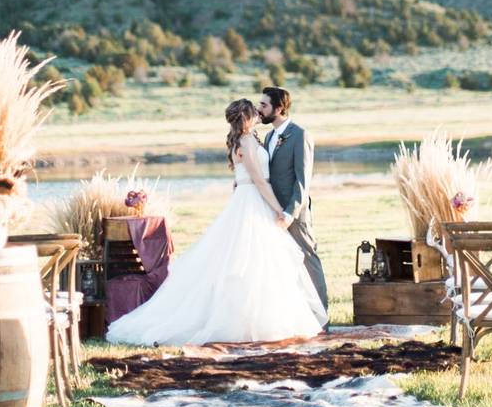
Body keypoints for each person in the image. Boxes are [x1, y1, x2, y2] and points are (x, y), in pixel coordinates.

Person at [105, 99, 327, 346]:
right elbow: (259, 181)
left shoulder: (248, 139)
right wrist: (280, 210)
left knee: (258, 262)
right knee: (248, 262)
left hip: (249, 200)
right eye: (255, 111)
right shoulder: (245, 141)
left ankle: (257, 319)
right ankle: (246, 323)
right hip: (253, 200)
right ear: (247, 117)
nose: (258, 114)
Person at [258, 86, 328, 311]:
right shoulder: (269, 136)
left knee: (308, 258)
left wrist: (290, 212)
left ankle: (321, 315)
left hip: (293, 213)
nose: (259, 109)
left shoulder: (301, 135)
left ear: (278, 109)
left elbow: (303, 179)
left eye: (264, 105)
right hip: (273, 211)